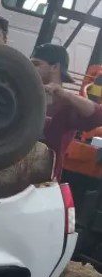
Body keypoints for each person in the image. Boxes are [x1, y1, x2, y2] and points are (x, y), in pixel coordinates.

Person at [32, 43, 102, 179]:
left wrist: (65, 95)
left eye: (36, 64)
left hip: (42, 182)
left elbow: (98, 116)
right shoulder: (25, 96)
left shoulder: (67, 105)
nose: (31, 68)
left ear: (55, 67)